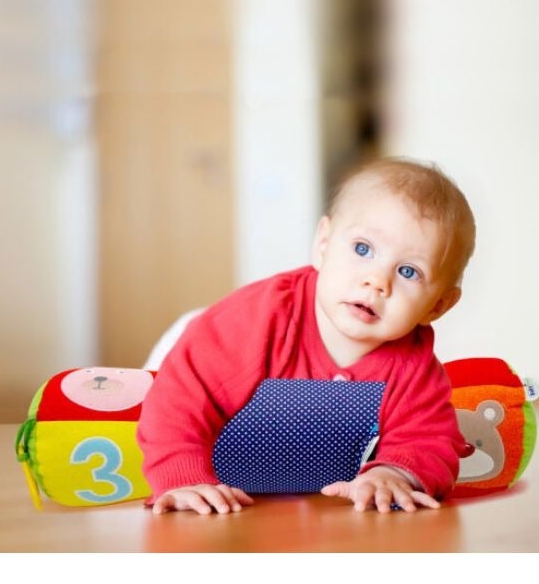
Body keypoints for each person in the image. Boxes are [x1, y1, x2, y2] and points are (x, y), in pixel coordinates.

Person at [137, 157, 476, 515]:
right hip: (195, 349)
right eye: (363, 249)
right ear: (323, 244)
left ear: (437, 306)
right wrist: (181, 477)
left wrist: (394, 474)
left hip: (293, 480)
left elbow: (428, 440)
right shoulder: (256, 320)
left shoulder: (415, 365)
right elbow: (180, 397)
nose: (377, 281)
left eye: (408, 271)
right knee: (154, 391)